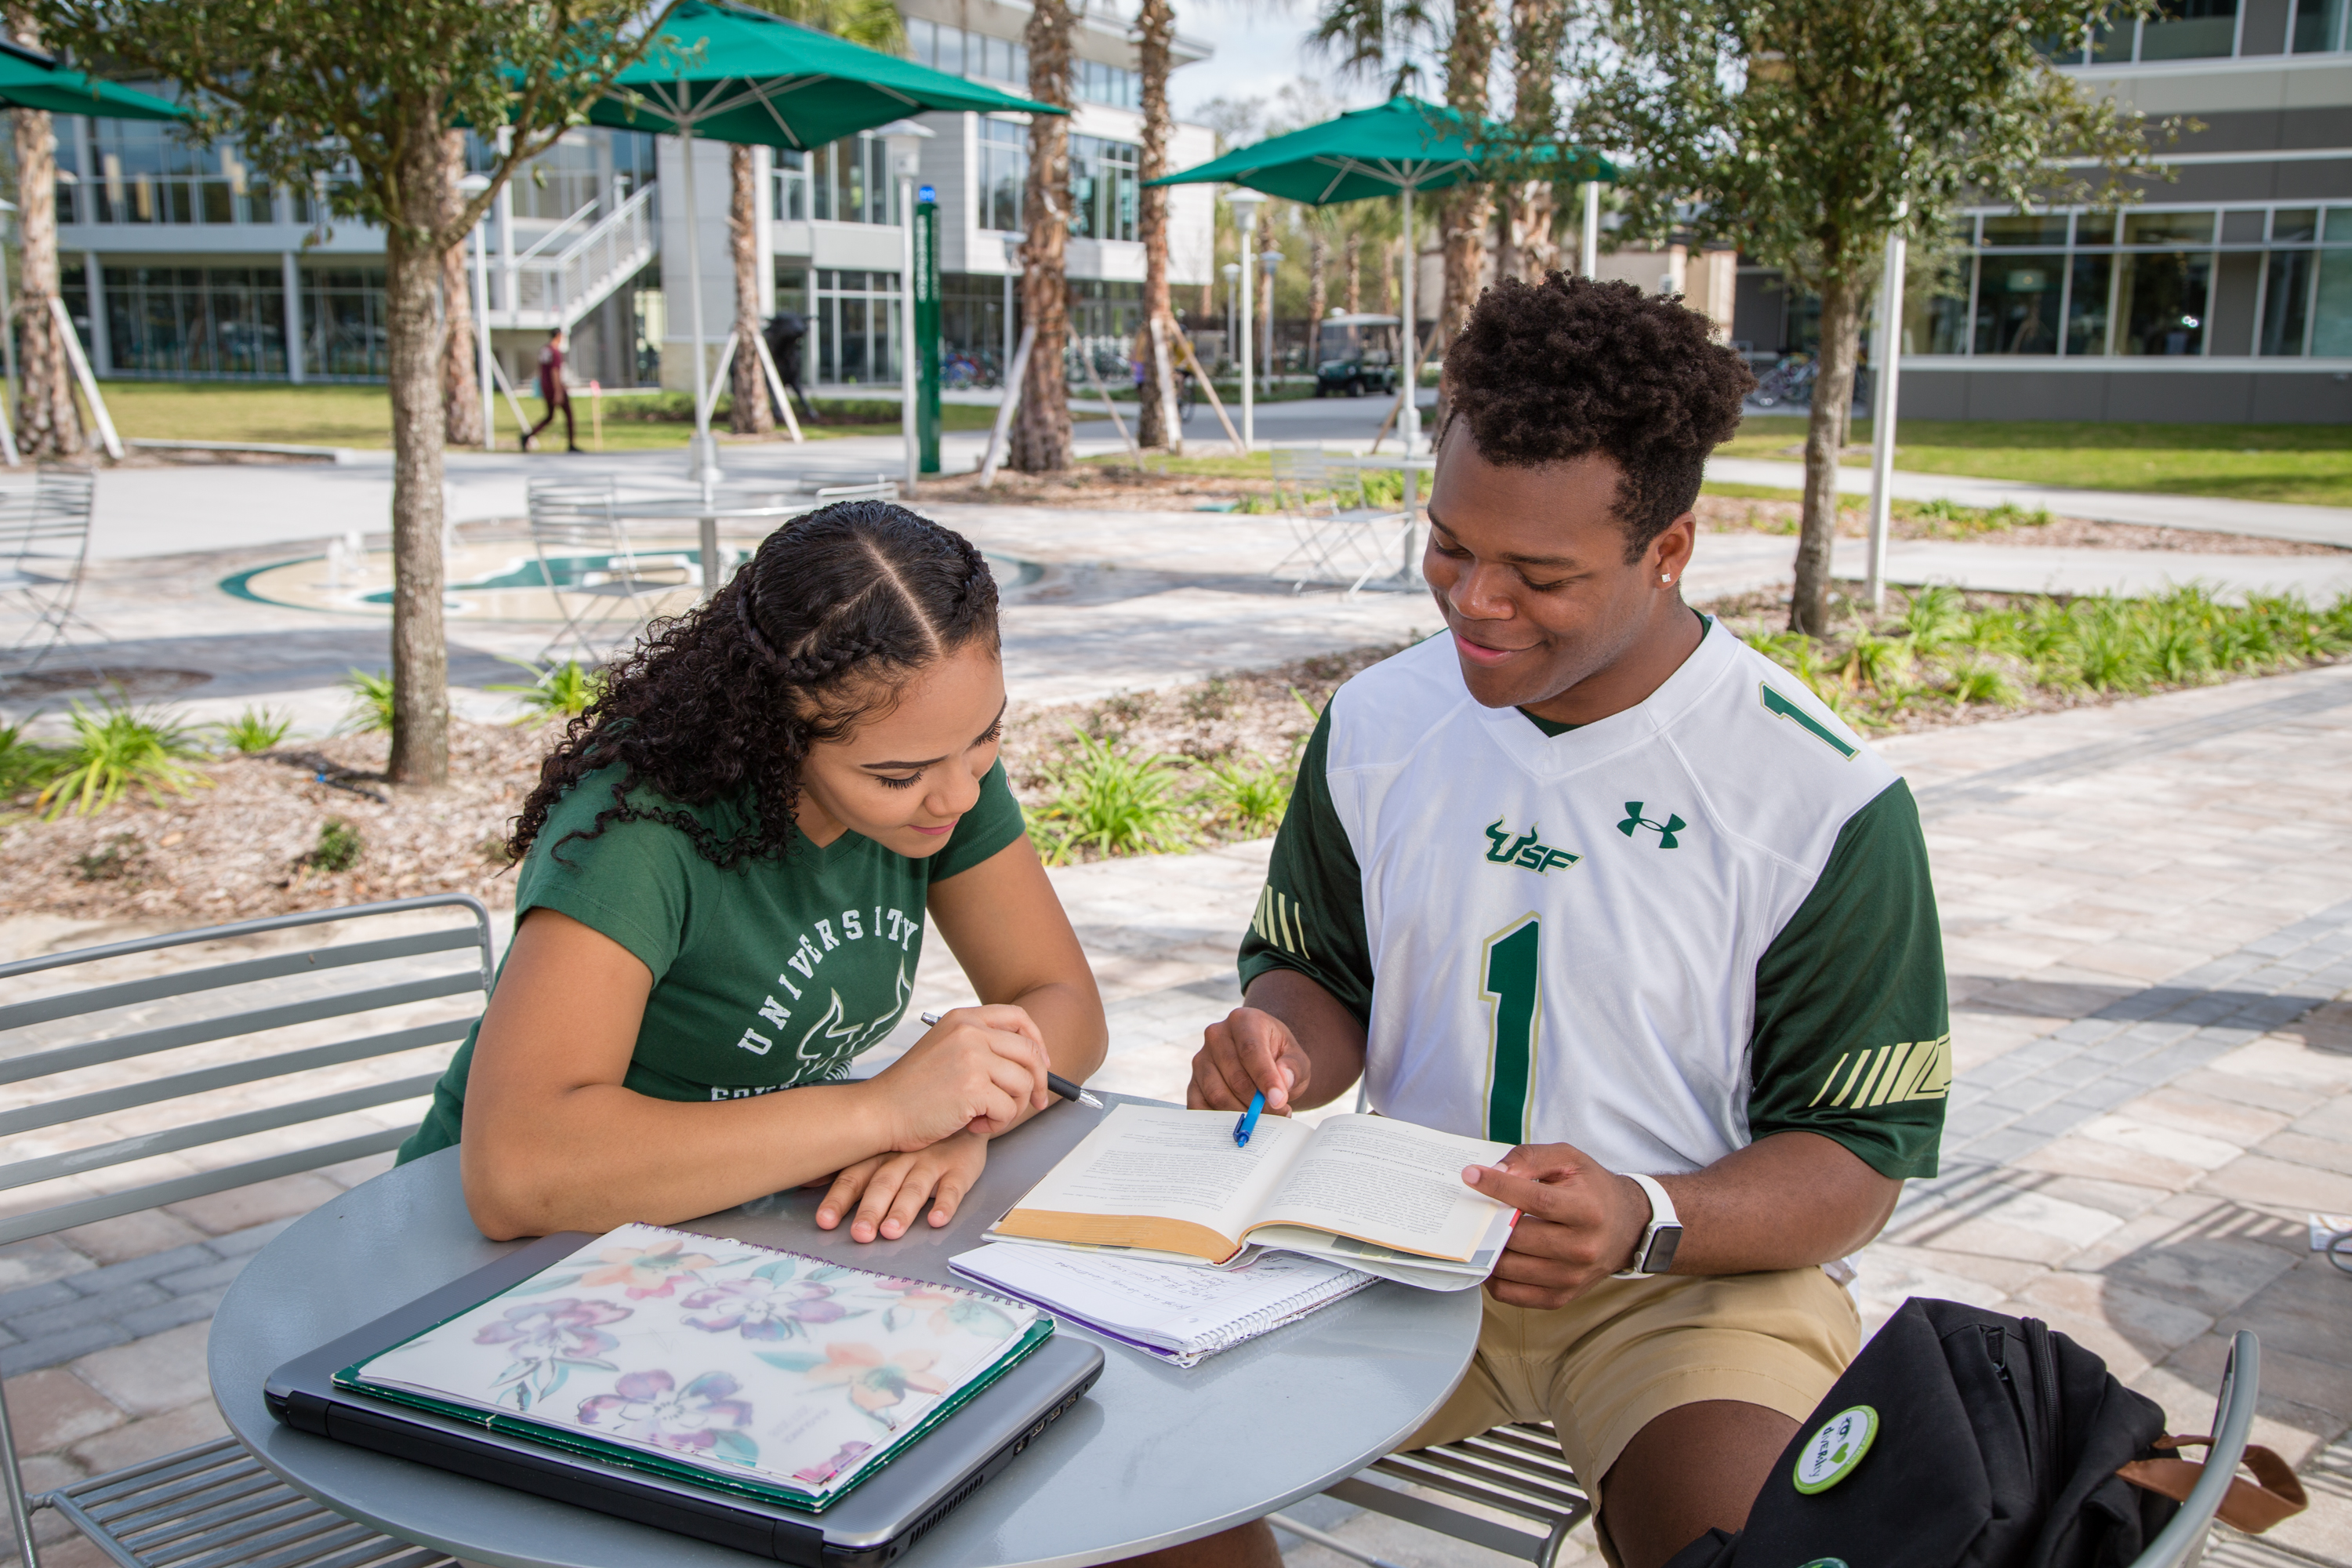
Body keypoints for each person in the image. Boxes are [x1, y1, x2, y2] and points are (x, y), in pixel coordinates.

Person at [1160, 276, 1947, 1568]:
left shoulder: (1818, 796)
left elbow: (1857, 1162)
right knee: (1126, 1467)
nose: (1476, 603)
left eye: (1540, 574)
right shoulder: (1377, 724)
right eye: (1450, 547)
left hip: (1686, 1291)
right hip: (1391, 1251)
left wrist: (1645, 1216)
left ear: (1670, 550)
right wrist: (1276, 1039)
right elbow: (1324, 981)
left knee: (1739, 1551)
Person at [397, 502, 1109, 1246]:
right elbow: (517, 1174)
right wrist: (883, 1113)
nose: (961, 793)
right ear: (774, 736)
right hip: (483, 1256)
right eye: (897, 776)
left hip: (716, 1235)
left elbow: (1065, 1005)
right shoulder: (639, 831)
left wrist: (966, 1122)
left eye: (987, 734)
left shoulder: (936, 764)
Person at [523, 325, 579, 453]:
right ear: (559, 336)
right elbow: (555, 372)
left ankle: (527, 436)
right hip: (555, 387)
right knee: (569, 415)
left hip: (546, 386)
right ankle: (571, 444)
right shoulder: (555, 351)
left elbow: (540, 369)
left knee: (549, 416)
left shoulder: (544, 350)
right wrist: (559, 392)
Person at [764, 310, 821, 426]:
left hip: (789, 365)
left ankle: (800, 410)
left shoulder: (792, 349)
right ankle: (778, 411)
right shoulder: (770, 346)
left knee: (795, 383)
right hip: (776, 364)